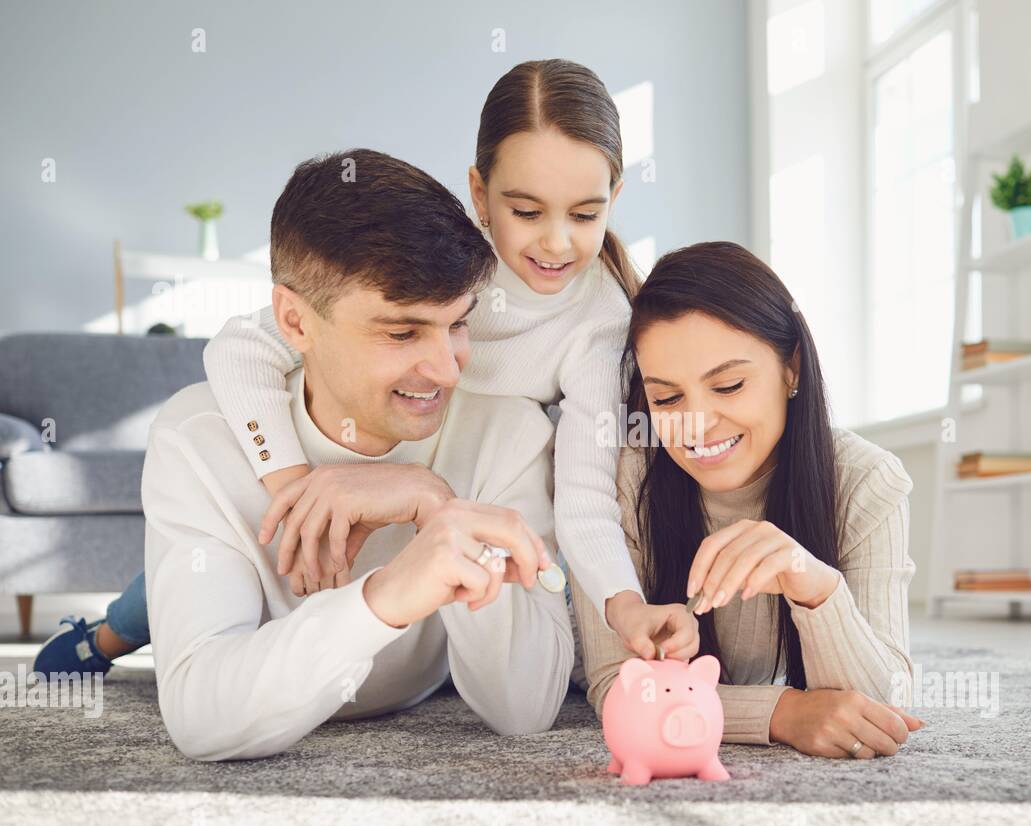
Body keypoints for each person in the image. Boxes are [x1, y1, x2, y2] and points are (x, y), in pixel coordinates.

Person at [34, 58, 696, 677]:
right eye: (525, 212)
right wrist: (299, 488)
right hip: (342, 453)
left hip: (447, 479)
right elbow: (239, 348)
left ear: (615, 193)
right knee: (227, 560)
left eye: (585, 214)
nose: (556, 242)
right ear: (479, 191)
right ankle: (110, 635)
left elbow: (584, 498)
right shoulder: (440, 260)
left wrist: (622, 604)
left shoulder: (600, 326)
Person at [141, 148, 574, 760]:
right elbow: (200, 718)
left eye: (457, 325)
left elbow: (524, 709)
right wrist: (387, 596)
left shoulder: (509, 431)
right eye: (402, 333)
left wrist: (442, 511)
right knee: (136, 613)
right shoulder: (196, 440)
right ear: (294, 322)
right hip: (193, 554)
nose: (448, 370)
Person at [571, 242, 926, 759]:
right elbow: (616, 687)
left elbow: (880, 704)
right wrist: (783, 713)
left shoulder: (868, 480)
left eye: (729, 385)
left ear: (792, 369)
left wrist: (814, 587)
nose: (697, 424)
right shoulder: (626, 478)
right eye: (667, 399)